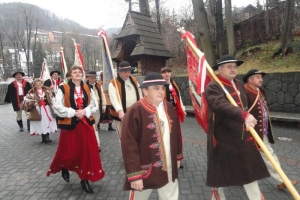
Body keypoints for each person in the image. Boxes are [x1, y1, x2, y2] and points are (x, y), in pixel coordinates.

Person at [205, 55, 270, 200]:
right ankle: (217, 195)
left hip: (242, 133)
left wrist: (250, 120)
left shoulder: (239, 84)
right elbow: (219, 104)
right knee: (220, 169)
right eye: (229, 66)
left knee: (249, 166)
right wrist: (243, 115)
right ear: (220, 69)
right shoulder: (213, 86)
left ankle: (256, 197)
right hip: (222, 135)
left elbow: (247, 106)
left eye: (234, 66)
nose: (233, 69)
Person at [121, 72, 183, 200]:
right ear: (145, 91)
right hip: (144, 169)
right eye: (156, 88)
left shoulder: (169, 107)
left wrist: (177, 156)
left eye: (162, 88)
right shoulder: (135, 111)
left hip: (168, 167)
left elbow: (176, 135)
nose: (161, 91)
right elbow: (128, 145)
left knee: (171, 197)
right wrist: (135, 175)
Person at [46, 66, 105, 193]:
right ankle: (64, 167)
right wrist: (73, 112)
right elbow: (57, 106)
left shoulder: (88, 87)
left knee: (87, 152)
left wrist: (85, 111)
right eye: (75, 72)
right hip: (70, 125)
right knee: (69, 151)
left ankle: (85, 179)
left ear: (82, 74)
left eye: (79, 72)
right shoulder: (63, 88)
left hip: (85, 124)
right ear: (70, 74)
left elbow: (94, 104)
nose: (77, 74)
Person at [243, 69, 298, 190]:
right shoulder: (244, 92)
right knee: (267, 155)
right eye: (258, 77)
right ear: (250, 79)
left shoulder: (261, 91)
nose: (261, 79)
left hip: (263, 131)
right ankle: (282, 180)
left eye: (261, 77)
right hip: (250, 132)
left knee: (263, 155)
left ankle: (281, 180)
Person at [108, 61, 142, 140]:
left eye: (129, 71)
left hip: (134, 112)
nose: (127, 74)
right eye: (125, 72)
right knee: (124, 137)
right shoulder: (113, 83)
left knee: (135, 134)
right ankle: (125, 152)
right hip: (121, 114)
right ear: (119, 72)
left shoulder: (134, 80)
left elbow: (139, 92)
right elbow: (113, 99)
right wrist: (119, 111)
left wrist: (141, 104)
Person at [161, 66, 186, 169]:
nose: (167, 74)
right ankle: (167, 158)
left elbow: (178, 98)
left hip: (175, 112)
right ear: (161, 74)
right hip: (164, 113)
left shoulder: (173, 83)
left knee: (176, 136)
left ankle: (177, 158)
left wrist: (183, 109)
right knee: (166, 134)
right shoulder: (159, 85)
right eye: (164, 73)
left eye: (168, 72)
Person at [24, 78, 57, 143]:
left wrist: (51, 96)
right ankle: (43, 137)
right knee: (41, 123)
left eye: (40, 83)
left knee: (47, 122)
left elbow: (52, 99)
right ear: (34, 85)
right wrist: (33, 103)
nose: (39, 85)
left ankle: (47, 137)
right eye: (37, 84)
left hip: (47, 109)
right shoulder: (31, 92)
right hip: (38, 110)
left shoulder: (47, 90)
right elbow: (26, 101)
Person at [86, 71, 106, 151]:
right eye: (91, 78)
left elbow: (102, 95)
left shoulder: (98, 85)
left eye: (94, 78)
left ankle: (95, 143)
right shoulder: (85, 86)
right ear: (87, 78)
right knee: (92, 127)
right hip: (89, 109)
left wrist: (104, 106)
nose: (93, 79)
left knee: (95, 126)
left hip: (97, 108)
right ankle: (96, 144)